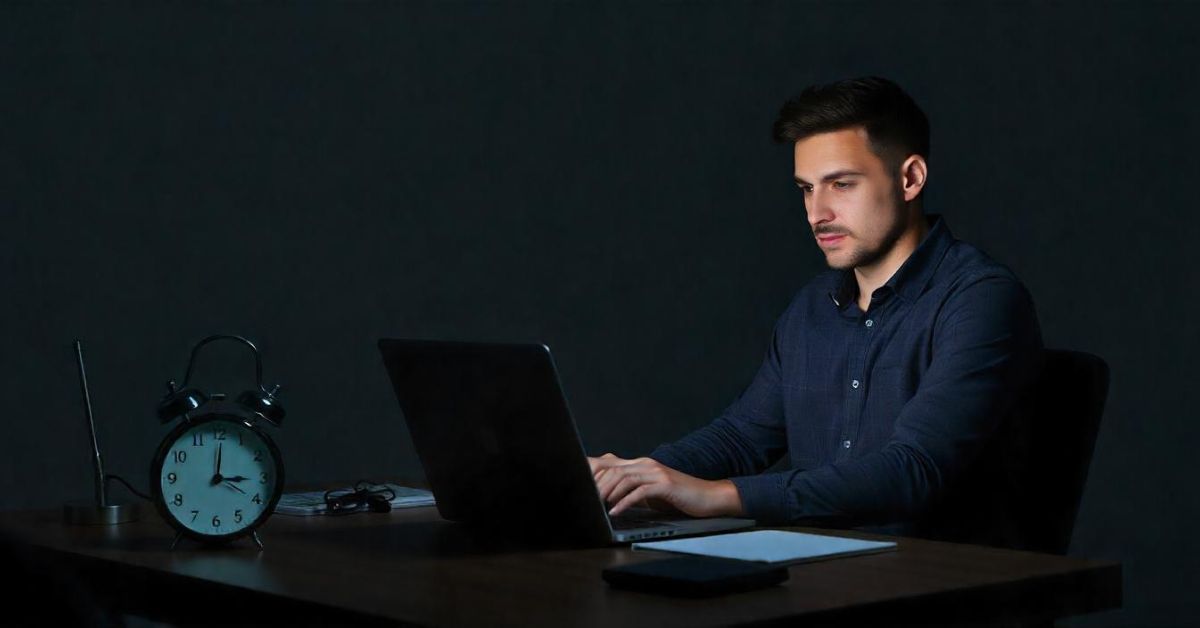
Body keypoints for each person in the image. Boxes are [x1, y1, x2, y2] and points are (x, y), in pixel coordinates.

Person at [588, 76, 1044, 541]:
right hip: (823, 576)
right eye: (806, 189)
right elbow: (742, 438)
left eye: (841, 184)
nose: (815, 213)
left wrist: (718, 496)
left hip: (943, 590)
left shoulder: (981, 300)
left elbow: (913, 470)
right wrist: (632, 475)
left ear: (910, 178)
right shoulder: (812, 308)